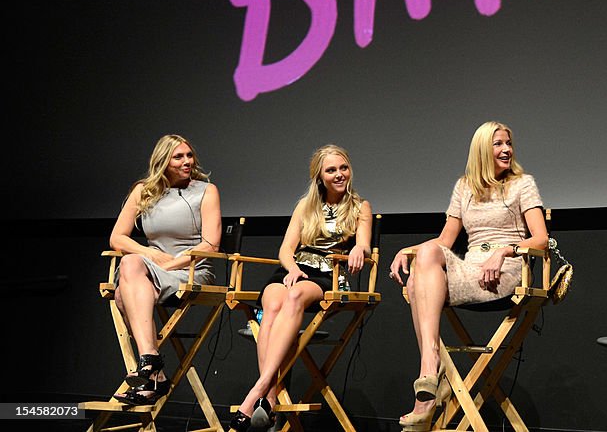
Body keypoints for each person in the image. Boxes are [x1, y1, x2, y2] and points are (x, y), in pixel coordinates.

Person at [389, 121, 549, 432]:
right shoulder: (464, 187)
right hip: (470, 266)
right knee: (422, 261)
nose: (506, 150)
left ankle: (429, 384)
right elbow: (445, 241)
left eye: (508, 143)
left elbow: (541, 239)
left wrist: (504, 250)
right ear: (481, 151)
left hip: (506, 269)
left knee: (416, 281)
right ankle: (432, 367)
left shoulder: (523, 184)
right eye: (498, 144)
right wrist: (406, 250)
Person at [227, 145, 372, 432]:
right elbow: (286, 249)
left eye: (343, 168)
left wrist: (359, 248)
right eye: (331, 170)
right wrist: (293, 269)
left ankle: (258, 392)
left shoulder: (360, 206)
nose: (339, 174)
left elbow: (365, 243)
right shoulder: (305, 206)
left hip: (328, 274)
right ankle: (269, 397)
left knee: (293, 295)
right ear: (319, 176)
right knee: (271, 301)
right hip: (295, 269)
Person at [109, 134, 222, 405]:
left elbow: (210, 245)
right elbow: (117, 238)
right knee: (129, 266)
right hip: (150, 267)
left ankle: (151, 369)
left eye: (189, 155)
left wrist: (171, 263)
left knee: (124, 291)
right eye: (178, 157)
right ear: (163, 162)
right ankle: (152, 363)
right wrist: (152, 255)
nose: (187, 161)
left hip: (191, 269)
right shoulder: (143, 190)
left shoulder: (206, 191)